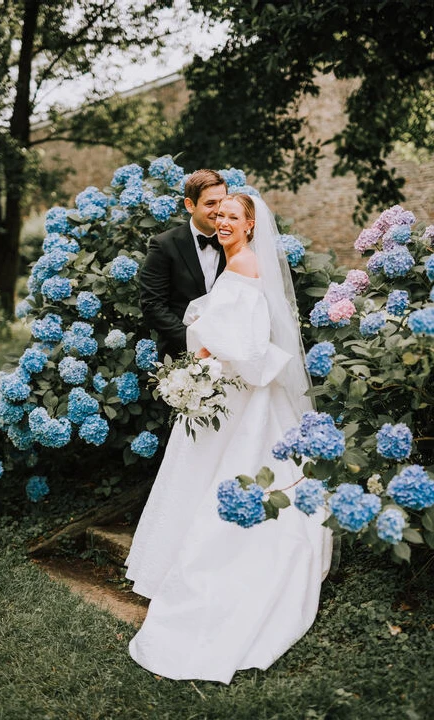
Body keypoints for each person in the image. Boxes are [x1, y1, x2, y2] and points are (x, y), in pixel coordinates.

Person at [125, 194, 332, 684]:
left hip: (243, 396)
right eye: (218, 216)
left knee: (228, 471)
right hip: (226, 386)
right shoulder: (236, 259)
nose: (222, 222)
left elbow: (251, 341)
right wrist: (203, 336)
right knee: (199, 470)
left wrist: (205, 346)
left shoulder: (247, 262)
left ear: (251, 222)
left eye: (232, 217)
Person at [139, 169, 228, 359]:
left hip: (231, 354)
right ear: (190, 205)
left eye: (223, 202)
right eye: (210, 203)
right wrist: (194, 344)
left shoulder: (237, 243)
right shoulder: (164, 245)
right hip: (181, 356)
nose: (219, 210)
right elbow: (153, 305)